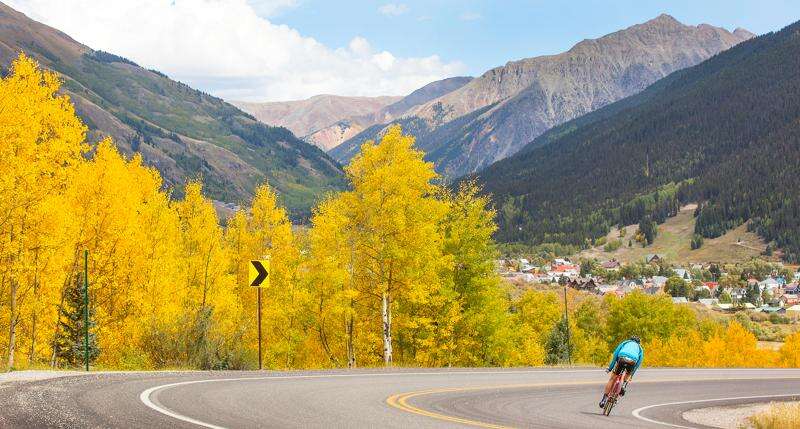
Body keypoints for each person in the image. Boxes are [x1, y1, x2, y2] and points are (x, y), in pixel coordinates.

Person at [599, 335, 644, 409]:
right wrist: (631, 375)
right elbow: (638, 364)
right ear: (638, 342)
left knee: (612, 379)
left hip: (622, 357)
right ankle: (623, 385)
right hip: (632, 361)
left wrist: (610, 368)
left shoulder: (625, 343)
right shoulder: (640, 348)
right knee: (628, 375)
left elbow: (615, 355)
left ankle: (603, 400)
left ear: (630, 340)